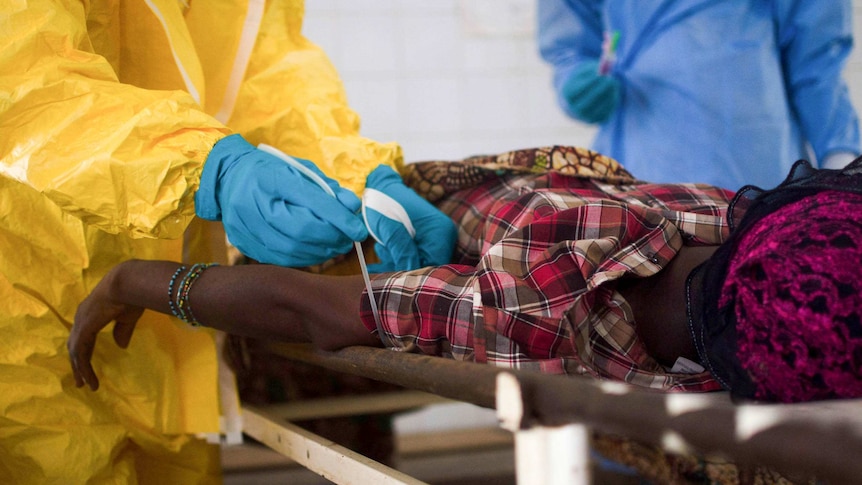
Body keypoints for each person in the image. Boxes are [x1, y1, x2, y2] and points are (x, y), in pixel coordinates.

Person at [1, 1, 454, 482]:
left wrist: (357, 176)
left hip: (173, 331)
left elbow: (272, 83)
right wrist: (203, 169)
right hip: (31, 292)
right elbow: (25, 83)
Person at [70, 145, 862, 406]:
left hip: (529, 212)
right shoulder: (535, 302)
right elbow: (311, 306)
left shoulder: (741, 218)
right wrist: (134, 279)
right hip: (501, 229)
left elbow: (321, 306)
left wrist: (141, 282)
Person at [537, 0, 861, 191]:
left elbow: (816, 58)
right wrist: (577, 79)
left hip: (757, 158)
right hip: (644, 159)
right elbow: (571, 39)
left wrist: (839, 154)